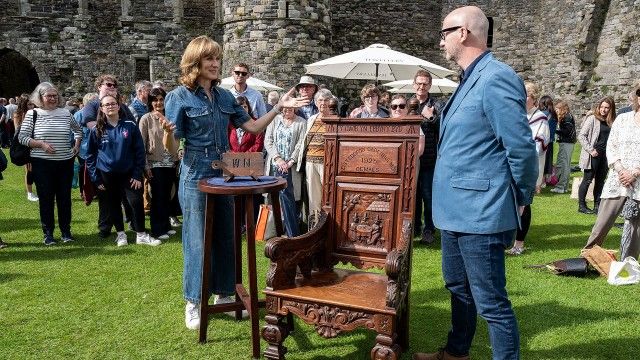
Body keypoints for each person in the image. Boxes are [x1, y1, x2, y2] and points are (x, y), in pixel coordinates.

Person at [413, 6, 538, 360]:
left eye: (444, 32)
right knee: (458, 287)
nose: (441, 40)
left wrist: (520, 196)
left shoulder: (496, 77)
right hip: (453, 211)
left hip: (480, 212)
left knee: (491, 302)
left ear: (464, 33)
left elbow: (521, 148)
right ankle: (456, 352)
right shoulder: (468, 79)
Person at [164, 35, 309, 331]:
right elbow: (171, 148)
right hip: (195, 174)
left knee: (227, 235)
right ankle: (194, 302)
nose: (216, 64)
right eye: (210, 59)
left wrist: (279, 108)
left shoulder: (225, 97)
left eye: (218, 58)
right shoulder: (178, 97)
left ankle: (224, 294)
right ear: (195, 63)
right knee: (197, 238)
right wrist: (168, 133)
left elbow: (253, 126)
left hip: (224, 170)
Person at [86, 93, 160, 248]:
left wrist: (137, 174)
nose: (110, 106)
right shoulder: (96, 129)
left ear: (119, 106)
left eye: (113, 103)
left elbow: (139, 151)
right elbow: (91, 156)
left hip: (129, 174)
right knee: (113, 204)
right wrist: (96, 178)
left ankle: (141, 234)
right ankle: (121, 234)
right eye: (107, 104)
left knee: (136, 202)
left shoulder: (129, 125)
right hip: (106, 175)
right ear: (102, 108)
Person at [18, 82, 82, 245]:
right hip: (42, 164)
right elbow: (22, 137)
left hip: (65, 163)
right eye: (49, 96)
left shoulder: (66, 114)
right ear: (40, 98)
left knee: (64, 199)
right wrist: (41, 145)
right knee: (46, 199)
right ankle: (48, 234)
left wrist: (76, 146)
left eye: (55, 95)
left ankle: (66, 232)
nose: (53, 98)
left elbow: (78, 130)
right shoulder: (33, 114)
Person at [582, 84, 640, 259]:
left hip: (638, 181)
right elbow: (612, 146)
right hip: (618, 178)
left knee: (635, 228)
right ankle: (588, 258)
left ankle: (628, 264)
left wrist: (635, 172)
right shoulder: (623, 119)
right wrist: (621, 169)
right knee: (601, 223)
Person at [81, 74, 136, 238]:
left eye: (114, 85)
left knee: (128, 195)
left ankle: (133, 223)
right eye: (108, 85)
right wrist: (116, 134)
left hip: (124, 159)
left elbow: (132, 128)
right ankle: (105, 227)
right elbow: (94, 128)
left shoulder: (123, 107)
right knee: (106, 197)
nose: (112, 87)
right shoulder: (91, 106)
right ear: (99, 86)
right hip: (103, 160)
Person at [506, 82, 548, 256]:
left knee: (524, 202)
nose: (521, 99)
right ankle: (506, 237)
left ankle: (519, 243)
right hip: (509, 165)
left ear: (533, 98)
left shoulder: (540, 118)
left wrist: (519, 152)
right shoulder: (515, 115)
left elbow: (539, 145)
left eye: (526, 96)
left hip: (527, 167)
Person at [139, 87, 180, 241]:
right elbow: (141, 144)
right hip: (154, 163)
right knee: (157, 197)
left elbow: (175, 139)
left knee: (168, 195)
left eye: (161, 99)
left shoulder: (170, 117)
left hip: (171, 163)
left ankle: (166, 226)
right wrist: (145, 166)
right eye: (155, 100)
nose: (158, 103)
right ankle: (157, 229)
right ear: (150, 102)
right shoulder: (146, 119)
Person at [412, 69, 445, 244]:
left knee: (428, 196)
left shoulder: (437, 105)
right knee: (412, 196)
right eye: (419, 83)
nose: (421, 86)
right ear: (414, 84)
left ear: (430, 85)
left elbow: (444, 128)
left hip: (429, 159)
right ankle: (415, 227)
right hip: (410, 160)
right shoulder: (407, 104)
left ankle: (429, 229)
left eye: (425, 83)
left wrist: (431, 117)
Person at [264, 106, 306, 237]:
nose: (288, 110)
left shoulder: (301, 122)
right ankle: (273, 231)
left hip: (290, 167)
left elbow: (301, 144)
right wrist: (278, 159)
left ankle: (292, 233)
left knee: (290, 200)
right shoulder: (274, 120)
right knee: (273, 199)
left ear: (295, 108)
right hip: (275, 165)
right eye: (285, 107)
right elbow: (268, 140)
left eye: (291, 108)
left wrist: (290, 161)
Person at [298, 88, 333, 226]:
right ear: (316, 102)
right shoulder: (312, 119)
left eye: (325, 100)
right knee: (313, 197)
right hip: (310, 162)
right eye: (320, 100)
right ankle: (314, 228)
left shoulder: (335, 119)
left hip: (327, 163)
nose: (323, 103)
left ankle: (329, 227)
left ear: (330, 102)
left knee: (328, 196)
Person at [577, 96, 617, 214]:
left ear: (611, 109)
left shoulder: (612, 121)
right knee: (587, 180)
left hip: (606, 155)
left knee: (600, 181)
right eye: (602, 107)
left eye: (607, 108)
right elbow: (581, 136)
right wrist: (591, 150)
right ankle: (582, 206)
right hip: (593, 155)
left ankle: (597, 206)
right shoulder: (592, 119)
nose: (603, 110)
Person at [12, 94, 39, 202]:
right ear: (24, 104)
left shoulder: (36, 113)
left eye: (33, 104)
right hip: (25, 146)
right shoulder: (18, 114)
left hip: (36, 144)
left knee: (38, 170)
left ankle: (40, 191)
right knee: (29, 170)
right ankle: (30, 193)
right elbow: (18, 131)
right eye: (29, 104)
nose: (32, 106)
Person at [550, 100, 577, 194]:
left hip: (567, 142)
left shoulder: (567, 117)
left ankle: (561, 186)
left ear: (562, 108)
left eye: (557, 108)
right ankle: (564, 186)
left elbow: (567, 131)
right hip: (568, 142)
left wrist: (555, 130)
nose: (556, 110)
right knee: (565, 165)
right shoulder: (567, 116)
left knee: (563, 165)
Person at [539, 95, 557, 185]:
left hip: (542, 141)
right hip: (550, 141)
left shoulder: (541, 114)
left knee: (541, 161)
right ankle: (544, 181)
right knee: (547, 161)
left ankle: (540, 181)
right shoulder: (554, 114)